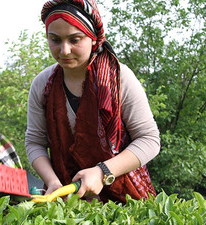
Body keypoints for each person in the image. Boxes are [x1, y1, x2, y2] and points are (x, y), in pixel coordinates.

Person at [25, 0, 161, 203]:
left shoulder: (119, 78)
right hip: (66, 201)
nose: (64, 50)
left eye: (75, 39)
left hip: (125, 199)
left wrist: (102, 172)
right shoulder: (42, 85)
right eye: (55, 39)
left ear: (93, 38)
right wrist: (52, 182)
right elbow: (35, 141)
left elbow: (150, 140)